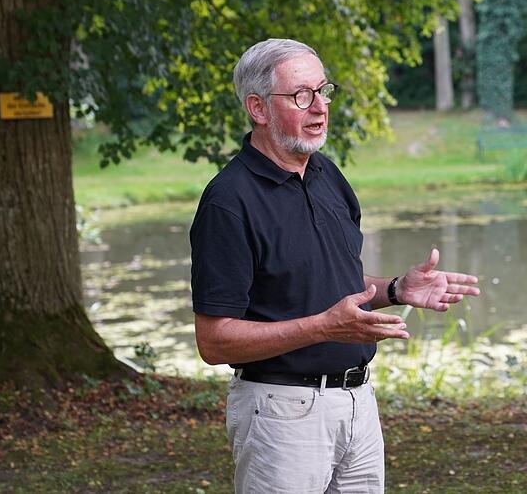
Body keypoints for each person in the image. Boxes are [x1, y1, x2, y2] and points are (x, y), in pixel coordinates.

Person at [190, 38, 480, 493]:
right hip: (281, 411)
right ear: (258, 109)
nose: (320, 107)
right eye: (300, 96)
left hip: (357, 402)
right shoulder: (229, 202)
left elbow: (326, 282)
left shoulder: (328, 177)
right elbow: (214, 341)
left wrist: (399, 288)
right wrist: (323, 327)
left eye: (323, 91)